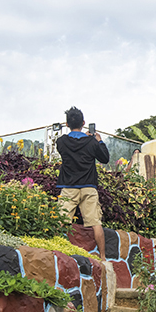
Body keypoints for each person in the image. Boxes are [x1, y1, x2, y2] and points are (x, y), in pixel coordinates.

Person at [56, 106, 111, 258]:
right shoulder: (91, 142)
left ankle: (53, 252)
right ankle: (103, 257)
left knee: (60, 220)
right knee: (95, 222)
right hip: (88, 187)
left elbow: (70, 149)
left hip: (68, 187)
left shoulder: (61, 142)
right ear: (84, 122)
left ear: (67, 124)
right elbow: (105, 159)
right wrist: (98, 141)